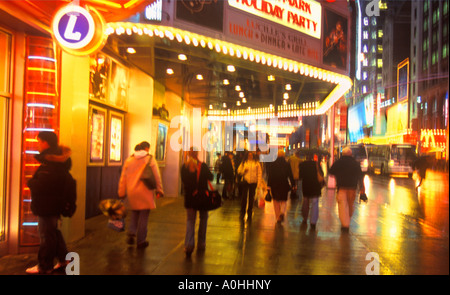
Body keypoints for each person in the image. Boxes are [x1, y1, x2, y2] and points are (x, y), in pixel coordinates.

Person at [26, 131, 72, 274]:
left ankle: (44, 266)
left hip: (47, 204)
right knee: (52, 232)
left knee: (46, 235)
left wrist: (31, 182)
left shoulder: (50, 163)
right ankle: (64, 258)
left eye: (39, 141)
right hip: (53, 203)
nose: (37, 144)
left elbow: (44, 184)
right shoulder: (55, 161)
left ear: (46, 143)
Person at [118, 141, 164, 248]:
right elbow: (157, 176)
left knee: (134, 212)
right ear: (146, 149)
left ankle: (131, 232)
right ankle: (141, 240)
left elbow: (123, 178)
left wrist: (121, 192)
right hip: (145, 192)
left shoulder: (129, 160)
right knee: (144, 216)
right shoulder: (150, 159)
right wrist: (159, 190)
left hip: (132, 192)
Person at [180, 148, 214, 257]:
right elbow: (211, 177)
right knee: (203, 219)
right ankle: (201, 243)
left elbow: (184, 181)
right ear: (197, 154)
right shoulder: (203, 166)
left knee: (190, 221)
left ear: (189, 154)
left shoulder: (184, 167)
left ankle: (189, 245)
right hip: (202, 197)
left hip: (190, 198)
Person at [328, 147, 365, 233]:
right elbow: (360, 176)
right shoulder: (355, 163)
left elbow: (331, 171)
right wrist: (362, 187)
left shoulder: (338, 162)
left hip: (341, 187)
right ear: (351, 154)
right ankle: (348, 218)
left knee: (342, 206)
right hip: (352, 187)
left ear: (343, 154)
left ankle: (345, 225)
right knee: (350, 205)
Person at [267, 150, 295, 224]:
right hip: (284, 184)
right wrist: (293, 184)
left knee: (276, 201)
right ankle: (282, 212)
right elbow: (290, 175)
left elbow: (270, 175)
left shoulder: (273, 164)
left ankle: (278, 217)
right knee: (283, 200)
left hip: (274, 184)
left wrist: (268, 185)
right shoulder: (287, 164)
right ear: (283, 156)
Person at [298, 154, 324, 230]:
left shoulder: (302, 164)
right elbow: (322, 174)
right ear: (313, 157)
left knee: (305, 201)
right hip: (315, 186)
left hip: (306, 185)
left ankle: (305, 218)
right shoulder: (316, 164)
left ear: (306, 157)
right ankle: (313, 222)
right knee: (315, 203)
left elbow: (300, 176)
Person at [237, 152, 262, 221]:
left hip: (253, 182)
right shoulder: (244, 163)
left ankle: (250, 211)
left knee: (251, 198)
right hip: (246, 181)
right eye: (249, 155)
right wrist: (243, 171)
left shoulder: (257, 163)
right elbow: (238, 171)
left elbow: (259, 174)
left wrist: (259, 184)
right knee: (244, 197)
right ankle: (242, 211)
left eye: (251, 155)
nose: (250, 156)